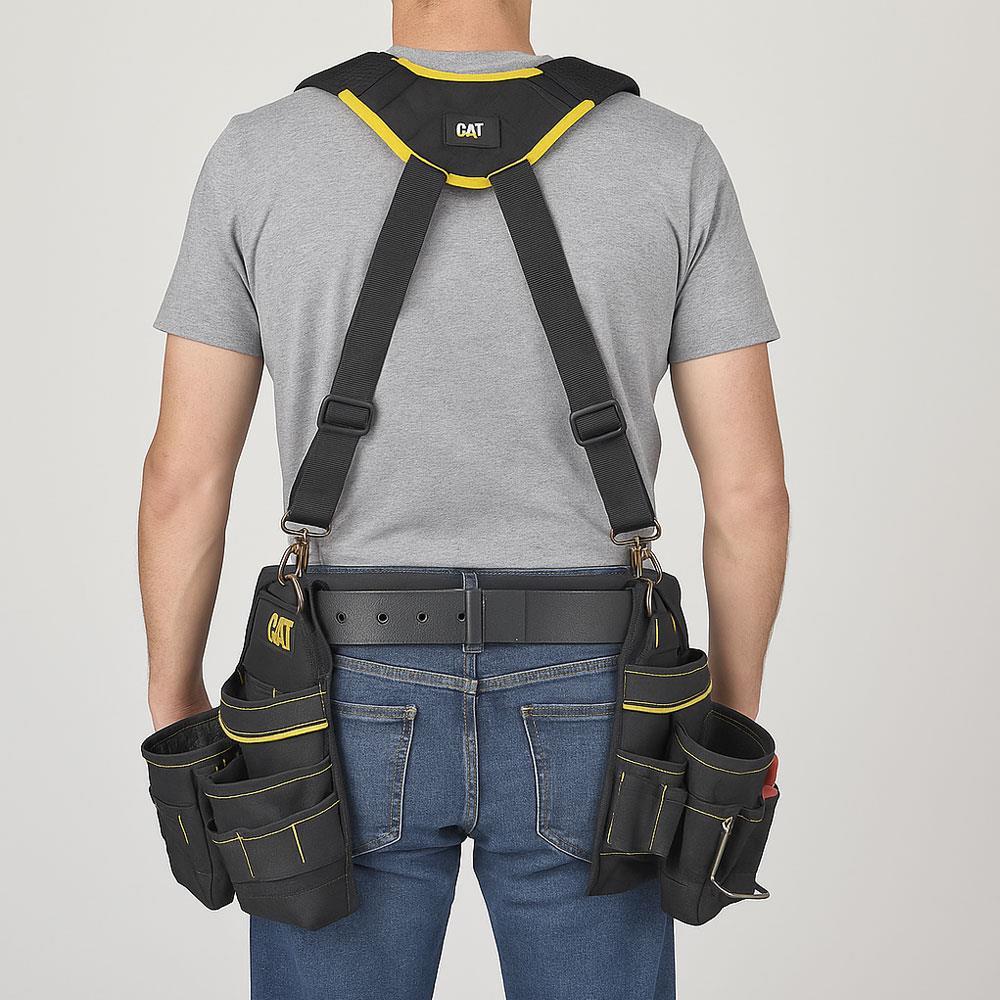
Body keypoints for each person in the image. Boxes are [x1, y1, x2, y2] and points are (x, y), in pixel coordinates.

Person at [139, 1, 788, 997]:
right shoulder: (671, 158)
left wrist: (173, 695)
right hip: (601, 691)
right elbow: (749, 492)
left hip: (336, 691)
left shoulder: (260, 155)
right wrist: (726, 730)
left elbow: (182, 479)